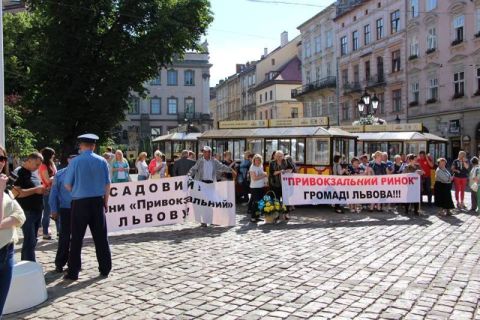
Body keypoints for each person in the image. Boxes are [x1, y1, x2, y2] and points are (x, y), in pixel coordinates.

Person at [63, 134, 111, 281]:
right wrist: (105, 202)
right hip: (97, 202)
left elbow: (67, 184)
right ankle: (105, 268)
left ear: (81, 146)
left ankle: (73, 272)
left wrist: (77, 191)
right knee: (101, 237)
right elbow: (107, 184)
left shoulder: (75, 162)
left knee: (77, 238)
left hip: (80, 203)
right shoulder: (102, 160)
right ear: (94, 146)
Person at [0, 146, 26, 316]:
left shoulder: (4, 185)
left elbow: (20, 216)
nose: (1, 163)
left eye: (2, 158)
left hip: (7, 251)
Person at [13, 152, 45, 262]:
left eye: (39, 165)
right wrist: (36, 190)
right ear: (29, 160)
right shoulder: (19, 173)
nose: (38, 167)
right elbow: (16, 193)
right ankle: (29, 265)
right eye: (36, 164)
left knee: (33, 240)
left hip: (37, 210)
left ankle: (28, 265)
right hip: (27, 211)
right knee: (30, 240)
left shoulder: (33, 173)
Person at [49, 154, 76, 273]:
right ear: (68, 160)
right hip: (66, 209)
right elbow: (53, 194)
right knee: (65, 237)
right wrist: (54, 210)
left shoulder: (83, 173)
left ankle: (74, 263)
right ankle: (60, 263)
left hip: (80, 209)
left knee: (77, 238)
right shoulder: (60, 174)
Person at [38, 147, 58, 240]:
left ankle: (59, 231)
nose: (54, 156)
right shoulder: (43, 166)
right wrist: (55, 177)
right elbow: (47, 180)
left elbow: (56, 174)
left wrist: (55, 177)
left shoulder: (52, 163)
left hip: (55, 190)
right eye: (52, 154)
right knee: (47, 212)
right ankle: (45, 232)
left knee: (57, 211)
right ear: (49, 155)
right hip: (48, 191)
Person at [268, 150, 294, 219]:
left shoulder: (286, 161)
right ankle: (277, 214)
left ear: (283, 156)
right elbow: (272, 173)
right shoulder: (272, 163)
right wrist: (280, 171)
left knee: (286, 199)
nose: (279, 158)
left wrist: (285, 171)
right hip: (275, 184)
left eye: (280, 156)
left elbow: (291, 169)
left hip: (285, 184)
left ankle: (286, 214)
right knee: (276, 200)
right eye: (277, 156)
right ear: (275, 156)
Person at [248, 154, 266, 222]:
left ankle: (257, 216)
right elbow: (254, 178)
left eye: (259, 160)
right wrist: (263, 175)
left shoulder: (261, 166)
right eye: (256, 160)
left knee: (261, 202)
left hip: (261, 186)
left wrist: (263, 176)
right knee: (256, 202)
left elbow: (262, 174)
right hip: (254, 187)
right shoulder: (252, 167)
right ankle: (253, 217)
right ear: (254, 160)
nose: (257, 161)